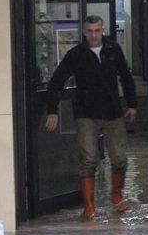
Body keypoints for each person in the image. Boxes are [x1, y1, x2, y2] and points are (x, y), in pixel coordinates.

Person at [45, 15, 137, 219]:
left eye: (97, 30)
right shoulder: (76, 54)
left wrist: (132, 104)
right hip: (86, 114)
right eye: (90, 31)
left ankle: (116, 194)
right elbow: (57, 81)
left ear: (102, 30)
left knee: (120, 158)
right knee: (88, 159)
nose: (94, 35)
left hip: (113, 112)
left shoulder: (114, 50)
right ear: (84, 32)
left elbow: (126, 76)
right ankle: (89, 205)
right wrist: (52, 109)